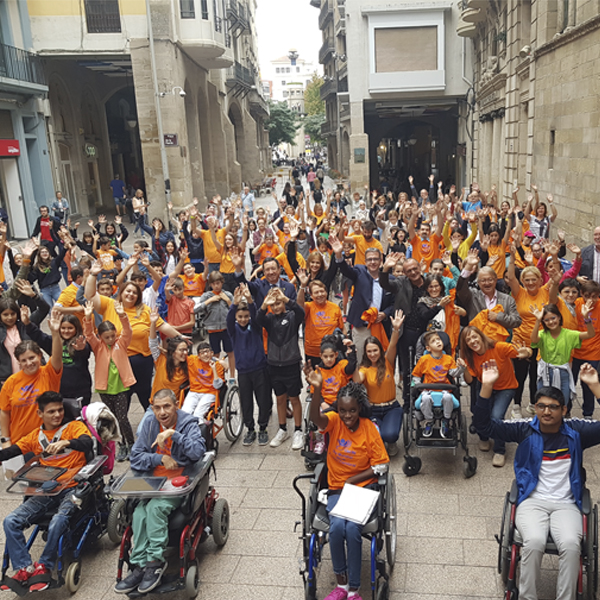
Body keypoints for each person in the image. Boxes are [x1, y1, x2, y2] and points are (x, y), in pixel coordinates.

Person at [474, 360, 600, 600]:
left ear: (564, 410)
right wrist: (487, 386)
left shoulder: (576, 431)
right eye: (541, 406)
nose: (546, 412)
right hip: (532, 501)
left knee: (572, 546)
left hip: (567, 503)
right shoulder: (525, 428)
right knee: (533, 541)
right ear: (535, 408)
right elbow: (483, 425)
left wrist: (595, 386)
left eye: (553, 407)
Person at [305, 369, 389, 600]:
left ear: (359, 408)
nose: (347, 415)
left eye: (352, 410)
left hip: (363, 488)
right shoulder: (334, 422)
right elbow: (316, 419)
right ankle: (341, 584)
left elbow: (381, 466)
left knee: (352, 528)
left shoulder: (369, 428)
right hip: (337, 488)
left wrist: (353, 480)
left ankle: (354, 589)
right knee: (336, 529)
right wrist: (317, 389)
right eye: (343, 410)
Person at [0, 392, 94, 592]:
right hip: (46, 490)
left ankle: (45, 565)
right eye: (51, 412)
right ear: (40, 413)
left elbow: (87, 442)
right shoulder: (35, 437)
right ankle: (24, 567)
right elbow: (11, 451)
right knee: (10, 521)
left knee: (57, 521)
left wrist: (67, 442)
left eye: (60, 410)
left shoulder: (74, 427)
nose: (57, 414)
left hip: (73, 488)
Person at [114, 388, 206, 595]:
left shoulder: (188, 423)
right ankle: (139, 564)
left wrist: (175, 435)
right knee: (138, 513)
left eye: (167, 406)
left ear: (176, 405)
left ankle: (155, 561)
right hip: (152, 480)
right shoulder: (149, 423)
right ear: (152, 408)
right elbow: (136, 457)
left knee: (155, 509)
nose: (162, 412)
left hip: (177, 482)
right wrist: (159, 458)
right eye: (157, 408)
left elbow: (198, 452)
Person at [459, 325, 532, 467]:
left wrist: (527, 352)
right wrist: (464, 369)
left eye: (475, 337)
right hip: (485, 386)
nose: (473, 341)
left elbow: (524, 351)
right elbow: (470, 381)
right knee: (480, 413)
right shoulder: (470, 357)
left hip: (506, 387)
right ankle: (484, 437)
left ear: (481, 336)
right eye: (469, 340)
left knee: (496, 417)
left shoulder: (499, 347)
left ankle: (500, 450)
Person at [0, 308, 64, 448]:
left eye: (32, 358)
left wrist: (55, 333)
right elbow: (4, 412)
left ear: (40, 356)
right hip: (20, 443)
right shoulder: (10, 382)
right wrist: (5, 440)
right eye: (24, 360)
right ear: (18, 362)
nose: (29, 363)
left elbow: (57, 356)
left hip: (50, 442)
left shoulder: (49, 373)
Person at [83, 300, 135, 462]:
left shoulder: (121, 343)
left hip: (120, 387)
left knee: (123, 418)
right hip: (104, 388)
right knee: (111, 419)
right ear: (101, 337)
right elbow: (89, 334)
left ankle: (131, 445)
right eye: (107, 337)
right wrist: (88, 316)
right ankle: (121, 445)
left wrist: (121, 315)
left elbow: (127, 331)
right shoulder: (98, 346)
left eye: (113, 335)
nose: (111, 339)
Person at [255, 287, 304, 450]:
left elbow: (301, 313)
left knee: (295, 398)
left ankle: (298, 430)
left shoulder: (292, 316)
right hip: (274, 365)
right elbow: (257, 319)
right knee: (280, 399)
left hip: (291, 364)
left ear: (283, 304)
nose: (276, 307)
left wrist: (286, 299)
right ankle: (282, 429)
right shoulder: (269, 319)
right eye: (273, 305)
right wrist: (264, 305)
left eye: (278, 304)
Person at [330, 236, 394, 363]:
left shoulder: (390, 279)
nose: (372, 262)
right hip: (362, 326)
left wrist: (385, 313)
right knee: (360, 360)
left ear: (381, 261)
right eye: (369, 259)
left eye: (376, 259)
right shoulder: (360, 271)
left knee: (380, 360)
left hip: (380, 325)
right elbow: (345, 270)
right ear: (365, 261)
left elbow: (394, 303)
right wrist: (338, 254)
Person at [354, 310, 405, 456]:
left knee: (389, 435)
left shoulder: (388, 361)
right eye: (369, 351)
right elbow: (357, 380)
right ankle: (379, 438)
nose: (372, 354)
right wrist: (351, 357)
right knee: (376, 436)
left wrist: (396, 329)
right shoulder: (364, 369)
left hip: (391, 407)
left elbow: (393, 344)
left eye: (375, 350)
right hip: (373, 410)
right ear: (365, 353)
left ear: (380, 350)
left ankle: (390, 441)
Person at [227, 284, 272, 447]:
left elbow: (256, 314)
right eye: (240, 316)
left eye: (246, 316)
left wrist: (250, 300)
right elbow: (229, 319)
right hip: (244, 372)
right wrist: (234, 303)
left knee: (263, 400)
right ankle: (250, 429)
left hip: (259, 368)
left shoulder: (255, 327)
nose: (243, 319)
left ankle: (263, 428)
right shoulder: (233, 330)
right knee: (246, 402)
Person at [531, 303, 594, 413]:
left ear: (559, 317)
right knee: (542, 402)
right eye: (546, 320)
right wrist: (537, 320)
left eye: (553, 318)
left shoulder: (569, 334)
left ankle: (560, 425)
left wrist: (586, 317)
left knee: (562, 403)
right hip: (545, 372)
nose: (551, 322)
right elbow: (534, 340)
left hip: (563, 372)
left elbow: (590, 334)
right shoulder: (542, 334)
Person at [412, 331, 464, 438]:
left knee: (448, 397)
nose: (437, 342)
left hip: (444, 388)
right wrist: (418, 386)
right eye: (433, 341)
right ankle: (429, 421)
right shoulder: (423, 360)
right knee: (425, 399)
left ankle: (446, 420)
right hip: (428, 389)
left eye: (438, 340)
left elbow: (453, 373)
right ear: (428, 348)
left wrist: (461, 368)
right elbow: (416, 375)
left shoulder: (448, 359)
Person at [181, 342, 225, 421]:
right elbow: (177, 354)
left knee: (198, 414)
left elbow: (217, 386)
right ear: (198, 355)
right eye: (202, 352)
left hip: (209, 392)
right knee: (184, 413)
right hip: (194, 391)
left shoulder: (218, 365)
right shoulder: (192, 360)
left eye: (207, 351)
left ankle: (198, 432)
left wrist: (214, 368)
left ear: (211, 353)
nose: (205, 354)